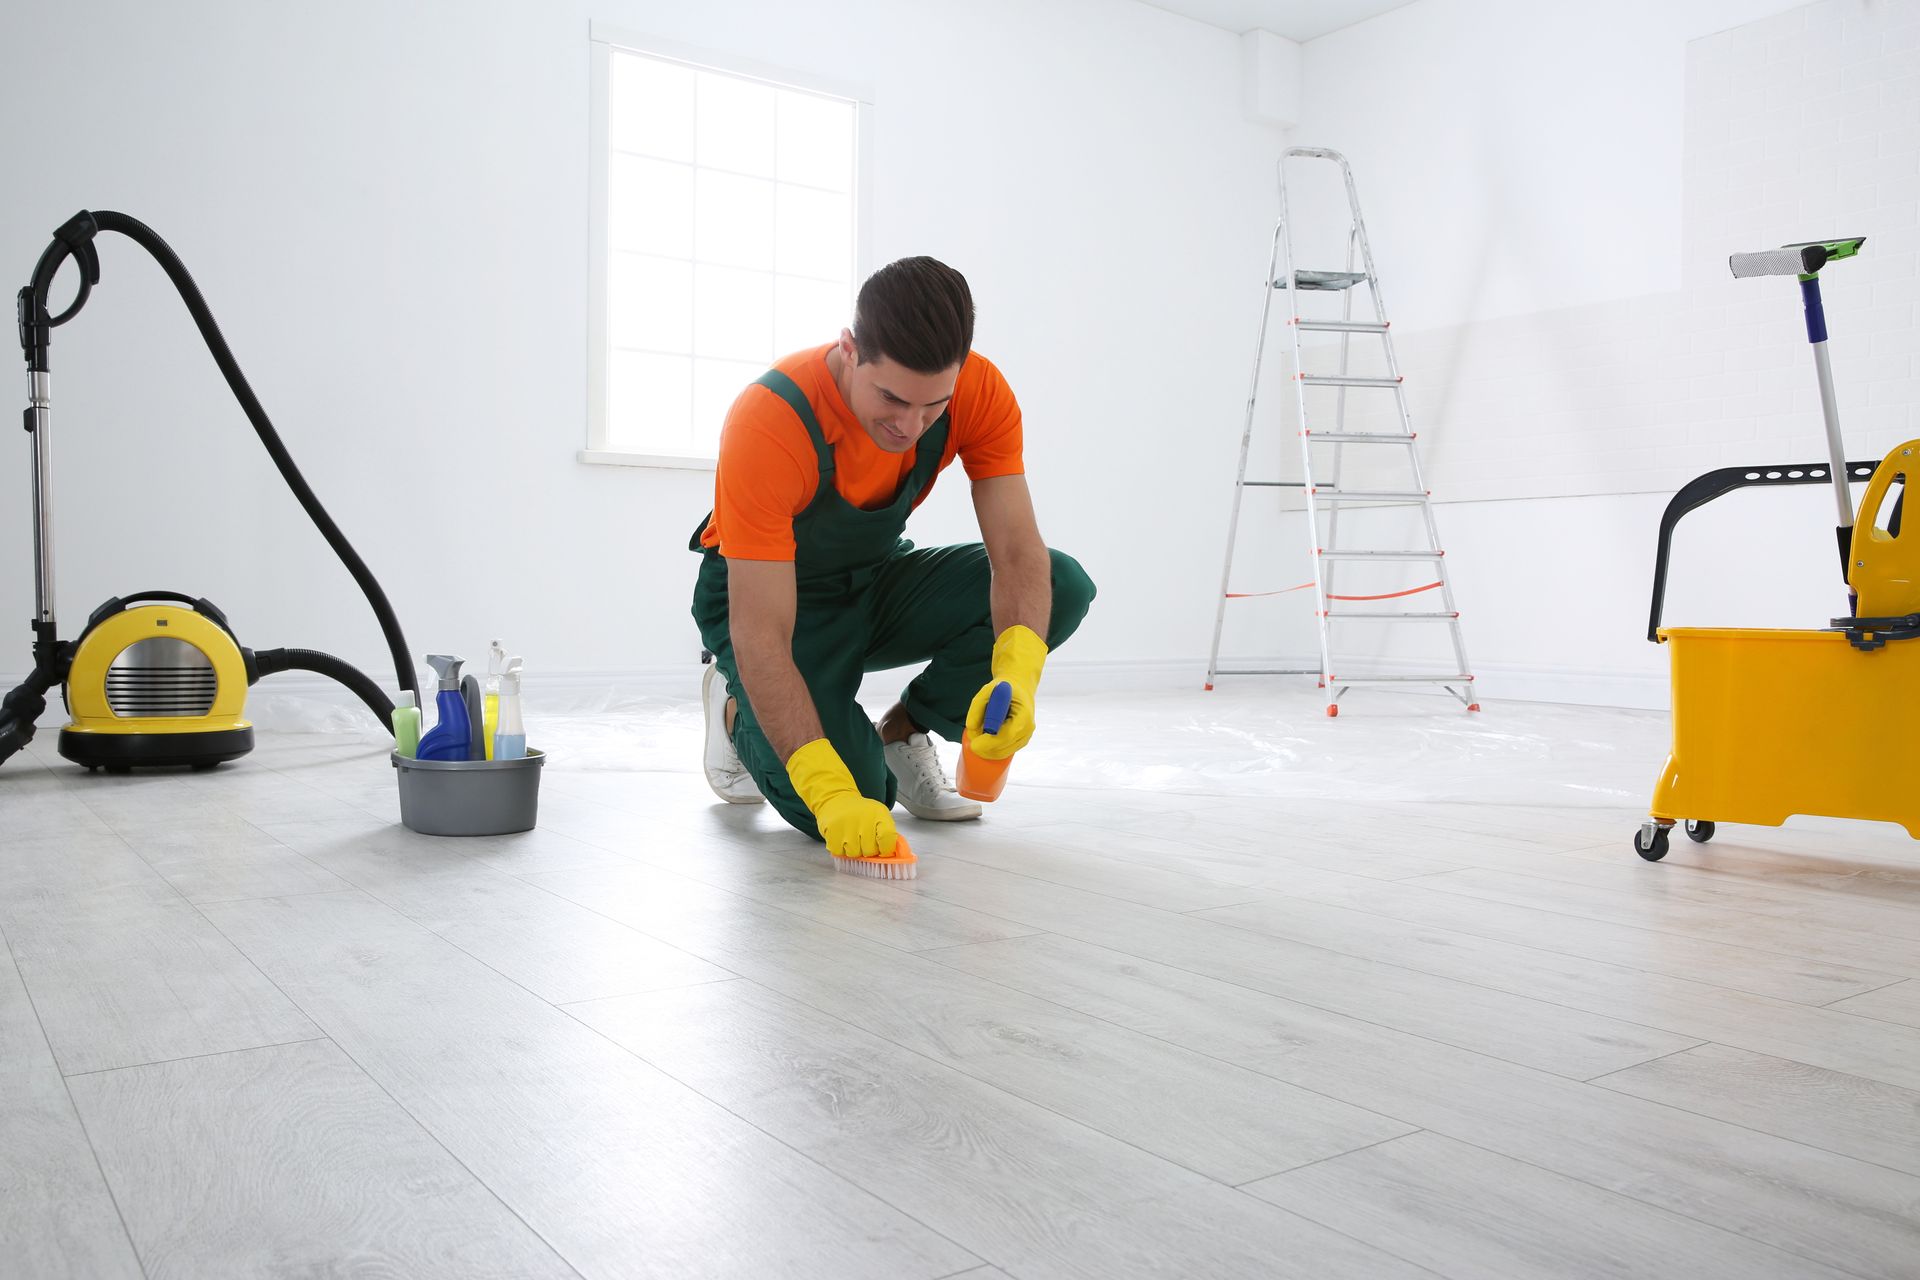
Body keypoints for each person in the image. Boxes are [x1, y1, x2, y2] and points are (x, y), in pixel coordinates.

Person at [689, 256, 1095, 861]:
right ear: (851, 348)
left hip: (875, 580)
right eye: (892, 398)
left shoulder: (980, 391)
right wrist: (828, 793)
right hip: (772, 608)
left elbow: (1015, 552)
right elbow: (763, 632)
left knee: (1058, 583)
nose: (911, 424)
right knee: (858, 797)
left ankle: (905, 730)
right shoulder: (771, 420)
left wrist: (1017, 672)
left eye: (933, 407)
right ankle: (732, 705)